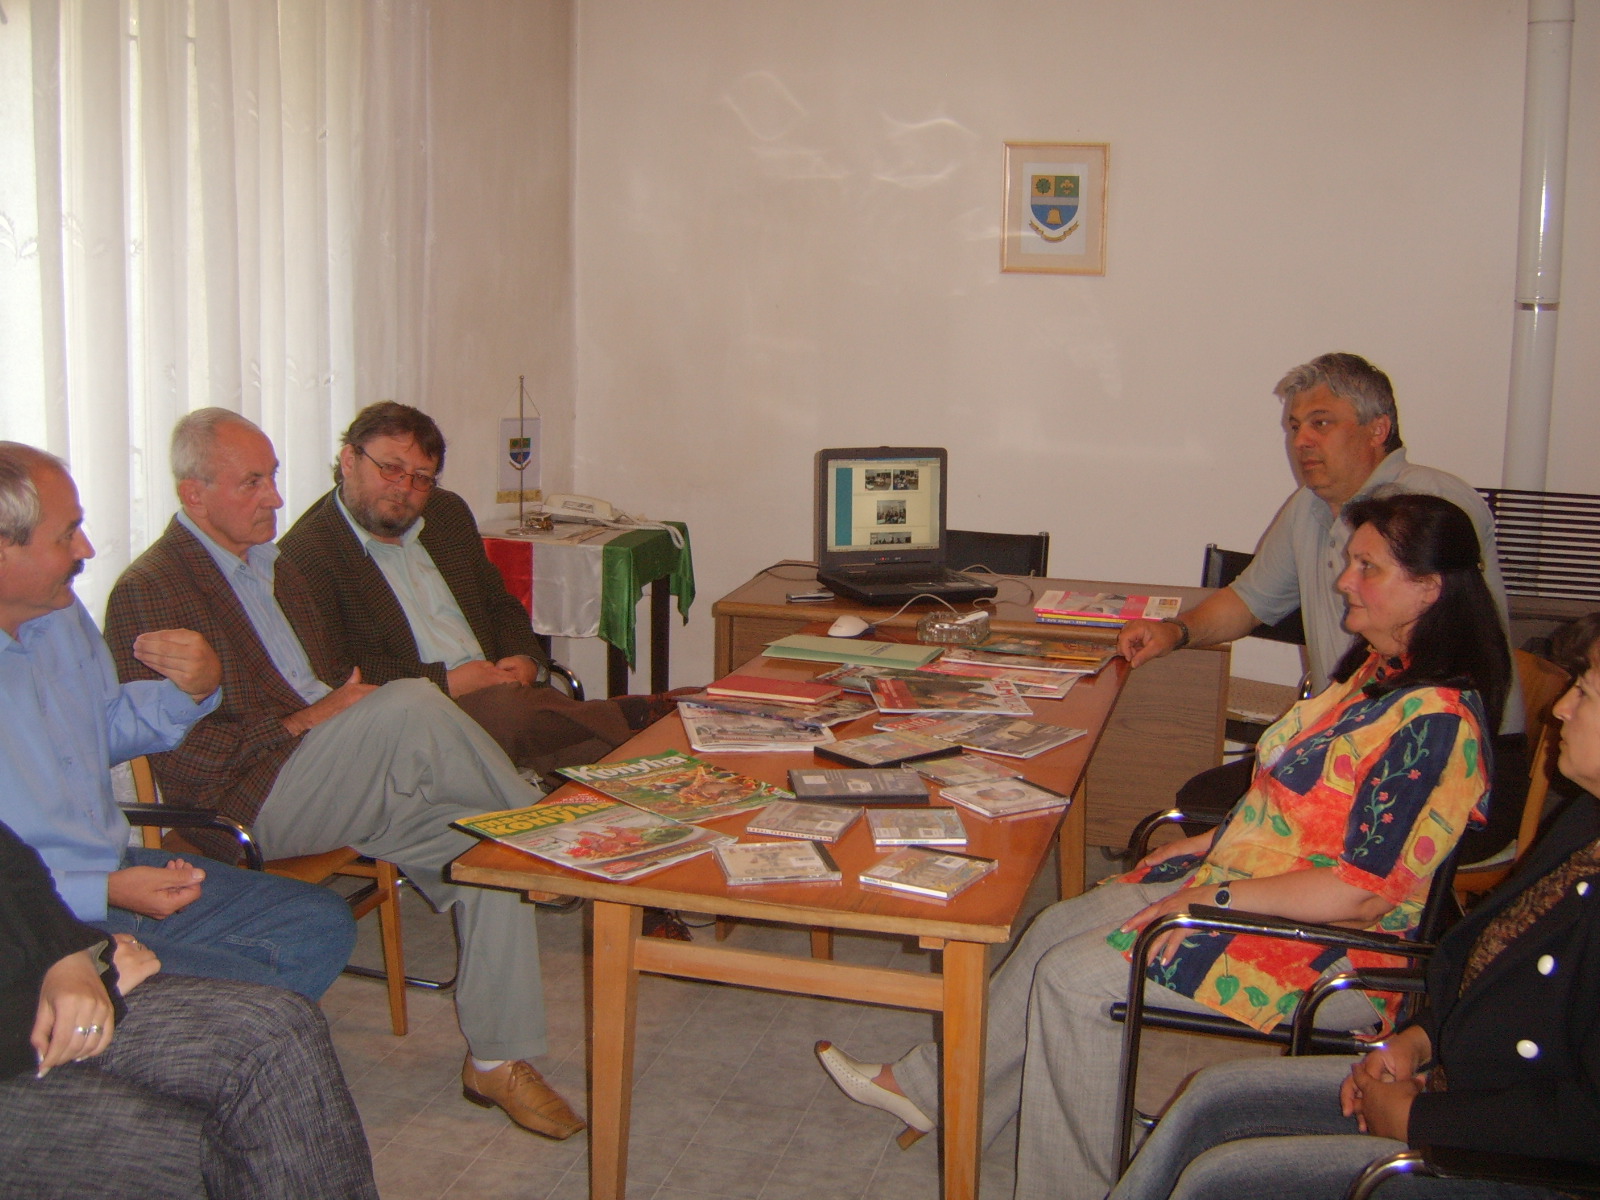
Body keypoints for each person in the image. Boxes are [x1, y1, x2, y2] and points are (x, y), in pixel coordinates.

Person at [818, 493, 1510, 1200]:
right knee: (1055, 927)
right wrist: (1200, 848)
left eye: (1368, 568)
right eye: (1350, 562)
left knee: (1074, 983)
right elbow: (1289, 810)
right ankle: (932, 1091)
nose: (1344, 581)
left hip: (1333, 948)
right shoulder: (1379, 674)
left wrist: (1210, 896)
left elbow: (1360, 896)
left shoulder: (1435, 725)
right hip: (1256, 888)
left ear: (1429, 589)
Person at [102, 410, 583, 1140]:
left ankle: (495, 1060)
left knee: (485, 854)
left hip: (334, 771)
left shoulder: (276, 567)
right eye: (252, 482)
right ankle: (553, 840)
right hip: (251, 798)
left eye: (272, 477)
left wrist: (336, 709)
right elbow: (184, 763)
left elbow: (336, 679)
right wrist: (307, 720)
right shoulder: (152, 589)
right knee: (413, 704)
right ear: (193, 493)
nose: (273, 497)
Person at [1108, 610, 1600, 1200]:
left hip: (1517, 1155)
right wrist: (1416, 1041)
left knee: (1221, 1179)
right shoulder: (1586, 820)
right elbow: (1484, 968)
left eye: (1586, 693)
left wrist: (1419, 1120)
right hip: (1457, 1080)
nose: (1561, 709)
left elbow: (1580, 1121)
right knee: (1210, 1098)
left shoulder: (1440, 719)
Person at [1118, 352, 1527, 859]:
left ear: (1378, 429)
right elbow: (1249, 600)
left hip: (1453, 761)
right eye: (1294, 427)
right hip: (1353, 743)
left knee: (1241, 823)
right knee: (1206, 798)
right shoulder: (1310, 506)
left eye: (1321, 423)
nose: (1301, 441)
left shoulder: (1430, 504)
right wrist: (1174, 631)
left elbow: (1445, 674)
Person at [0, 442, 354, 1001]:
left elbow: (105, 728)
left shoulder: (60, 616)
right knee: (254, 998)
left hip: (114, 868)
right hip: (33, 919)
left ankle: (189, 1027)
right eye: (67, 535)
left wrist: (194, 689)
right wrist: (104, 890)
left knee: (321, 923)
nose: (86, 549)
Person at [277, 401, 664, 780]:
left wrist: (524, 658)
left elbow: (499, 604)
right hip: (419, 712)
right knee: (516, 717)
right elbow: (338, 672)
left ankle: (638, 749)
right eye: (391, 468)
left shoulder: (445, 514)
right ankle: (634, 717)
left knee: (602, 760)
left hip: (504, 692)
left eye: (421, 477)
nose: (404, 488)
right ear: (349, 460)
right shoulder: (307, 555)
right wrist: (447, 682)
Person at [0, 816, 378, 1199]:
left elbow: (11, 862)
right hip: (20, 1033)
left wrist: (70, 955)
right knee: (211, 1136)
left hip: (36, 968)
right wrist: (94, 985)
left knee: (278, 1029)